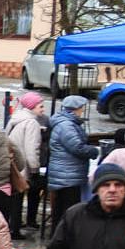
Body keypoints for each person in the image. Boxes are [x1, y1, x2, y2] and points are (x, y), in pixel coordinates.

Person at [47, 96, 100, 231]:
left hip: (66, 174)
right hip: (68, 176)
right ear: (76, 108)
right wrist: (93, 151)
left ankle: (59, 237)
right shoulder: (67, 125)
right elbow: (77, 147)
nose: (82, 111)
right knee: (67, 211)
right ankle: (61, 240)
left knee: (62, 210)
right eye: (82, 108)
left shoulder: (67, 123)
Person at [5, 93, 48, 236]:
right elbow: (32, 149)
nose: (43, 110)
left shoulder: (15, 119)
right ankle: (14, 230)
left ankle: (13, 226)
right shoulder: (31, 123)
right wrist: (35, 169)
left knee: (14, 198)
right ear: (31, 107)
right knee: (18, 198)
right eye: (40, 106)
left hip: (13, 165)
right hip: (23, 168)